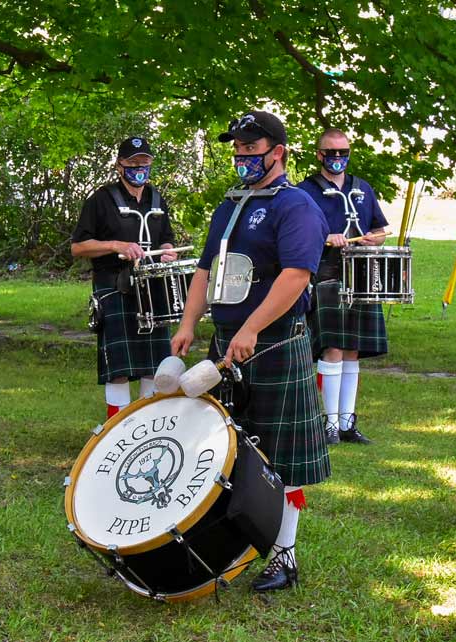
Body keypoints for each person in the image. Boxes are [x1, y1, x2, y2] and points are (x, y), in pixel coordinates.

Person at [172, 111, 330, 591]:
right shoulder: (232, 203)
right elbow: (205, 271)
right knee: (228, 447)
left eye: (251, 149)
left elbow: (296, 275)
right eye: (237, 150)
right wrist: (187, 323)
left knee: (281, 454)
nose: (242, 157)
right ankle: (231, 543)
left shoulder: (296, 205)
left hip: (273, 341)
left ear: (277, 152)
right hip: (227, 341)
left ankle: (285, 556)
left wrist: (253, 328)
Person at [71, 137, 177, 419]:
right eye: (132, 162)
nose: (139, 167)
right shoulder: (101, 199)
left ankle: (145, 424)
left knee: (154, 366)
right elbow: (78, 246)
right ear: (119, 165)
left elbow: (167, 239)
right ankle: (116, 426)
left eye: (144, 162)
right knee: (118, 367)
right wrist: (115, 245)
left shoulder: (157, 199)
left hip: (152, 289)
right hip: (114, 286)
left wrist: (167, 251)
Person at [298, 128, 389, 445]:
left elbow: (381, 230)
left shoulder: (363, 188)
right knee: (333, 347)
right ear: (320, 155)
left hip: (363, 272)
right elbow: (296, 235)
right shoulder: (305, 192)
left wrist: (373, 239)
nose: (338, 158)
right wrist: (325, 237)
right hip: (327, 272)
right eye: (332, 153)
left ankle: (348, 423)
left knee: (353, 351)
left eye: (343, 153)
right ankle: (329, 423)